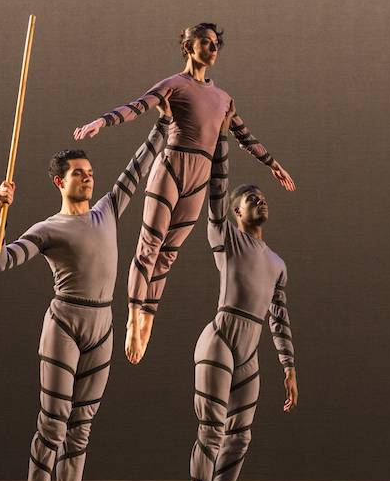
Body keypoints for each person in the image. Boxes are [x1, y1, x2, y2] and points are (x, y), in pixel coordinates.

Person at [0, 111, 171, 481]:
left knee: (81, 428)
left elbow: (138, 164)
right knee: (53, 423)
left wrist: (163, 124)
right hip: (65, 324)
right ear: (59, 182)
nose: (88, 179)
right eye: (78, 174)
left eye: (90, 173)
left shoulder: (107, 209)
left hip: (102, 326)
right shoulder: (49, 228)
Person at [74, 22, 295, 365]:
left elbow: (244, 136)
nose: (212, 48)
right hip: (172, 167)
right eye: (205, 43)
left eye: (215, 43)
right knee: (150, 245)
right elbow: (138, 106)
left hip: (200, 177)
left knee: (168, 254)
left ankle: (148, 315)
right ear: (189, 48)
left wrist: (273, 164)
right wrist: (102, 122)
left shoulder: (224, 98)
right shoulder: (174, 84)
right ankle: (133, 314)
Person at [189, 112, 298, 481]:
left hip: (250, 351)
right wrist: (220, 143)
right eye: (250, 196)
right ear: (236, 212)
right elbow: (215, 194)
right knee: (211, 430)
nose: (260, 199)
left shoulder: (276, 263)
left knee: (239, 437)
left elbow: (279, 318)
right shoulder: (227, 238)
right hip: (220, 340)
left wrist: (289, 367)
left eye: (262, 195)